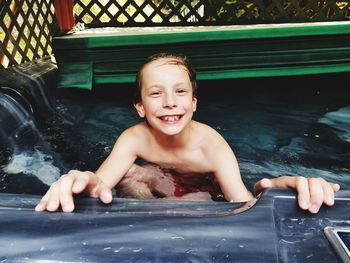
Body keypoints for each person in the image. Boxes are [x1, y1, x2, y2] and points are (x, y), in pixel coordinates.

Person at [35, 53, 340, 214]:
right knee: (128, 173)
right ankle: (155, 209)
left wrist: (277, 187)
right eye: (156, 94)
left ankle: (165, 208)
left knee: (199, 200)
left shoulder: (212, 147)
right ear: (140, 107)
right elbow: (101, 184)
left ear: (193, 102)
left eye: (180, 91)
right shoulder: (134, 138)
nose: (170, 101)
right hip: (161, 180)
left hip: (202, 190)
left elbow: (243, 204)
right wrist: (84, 179)